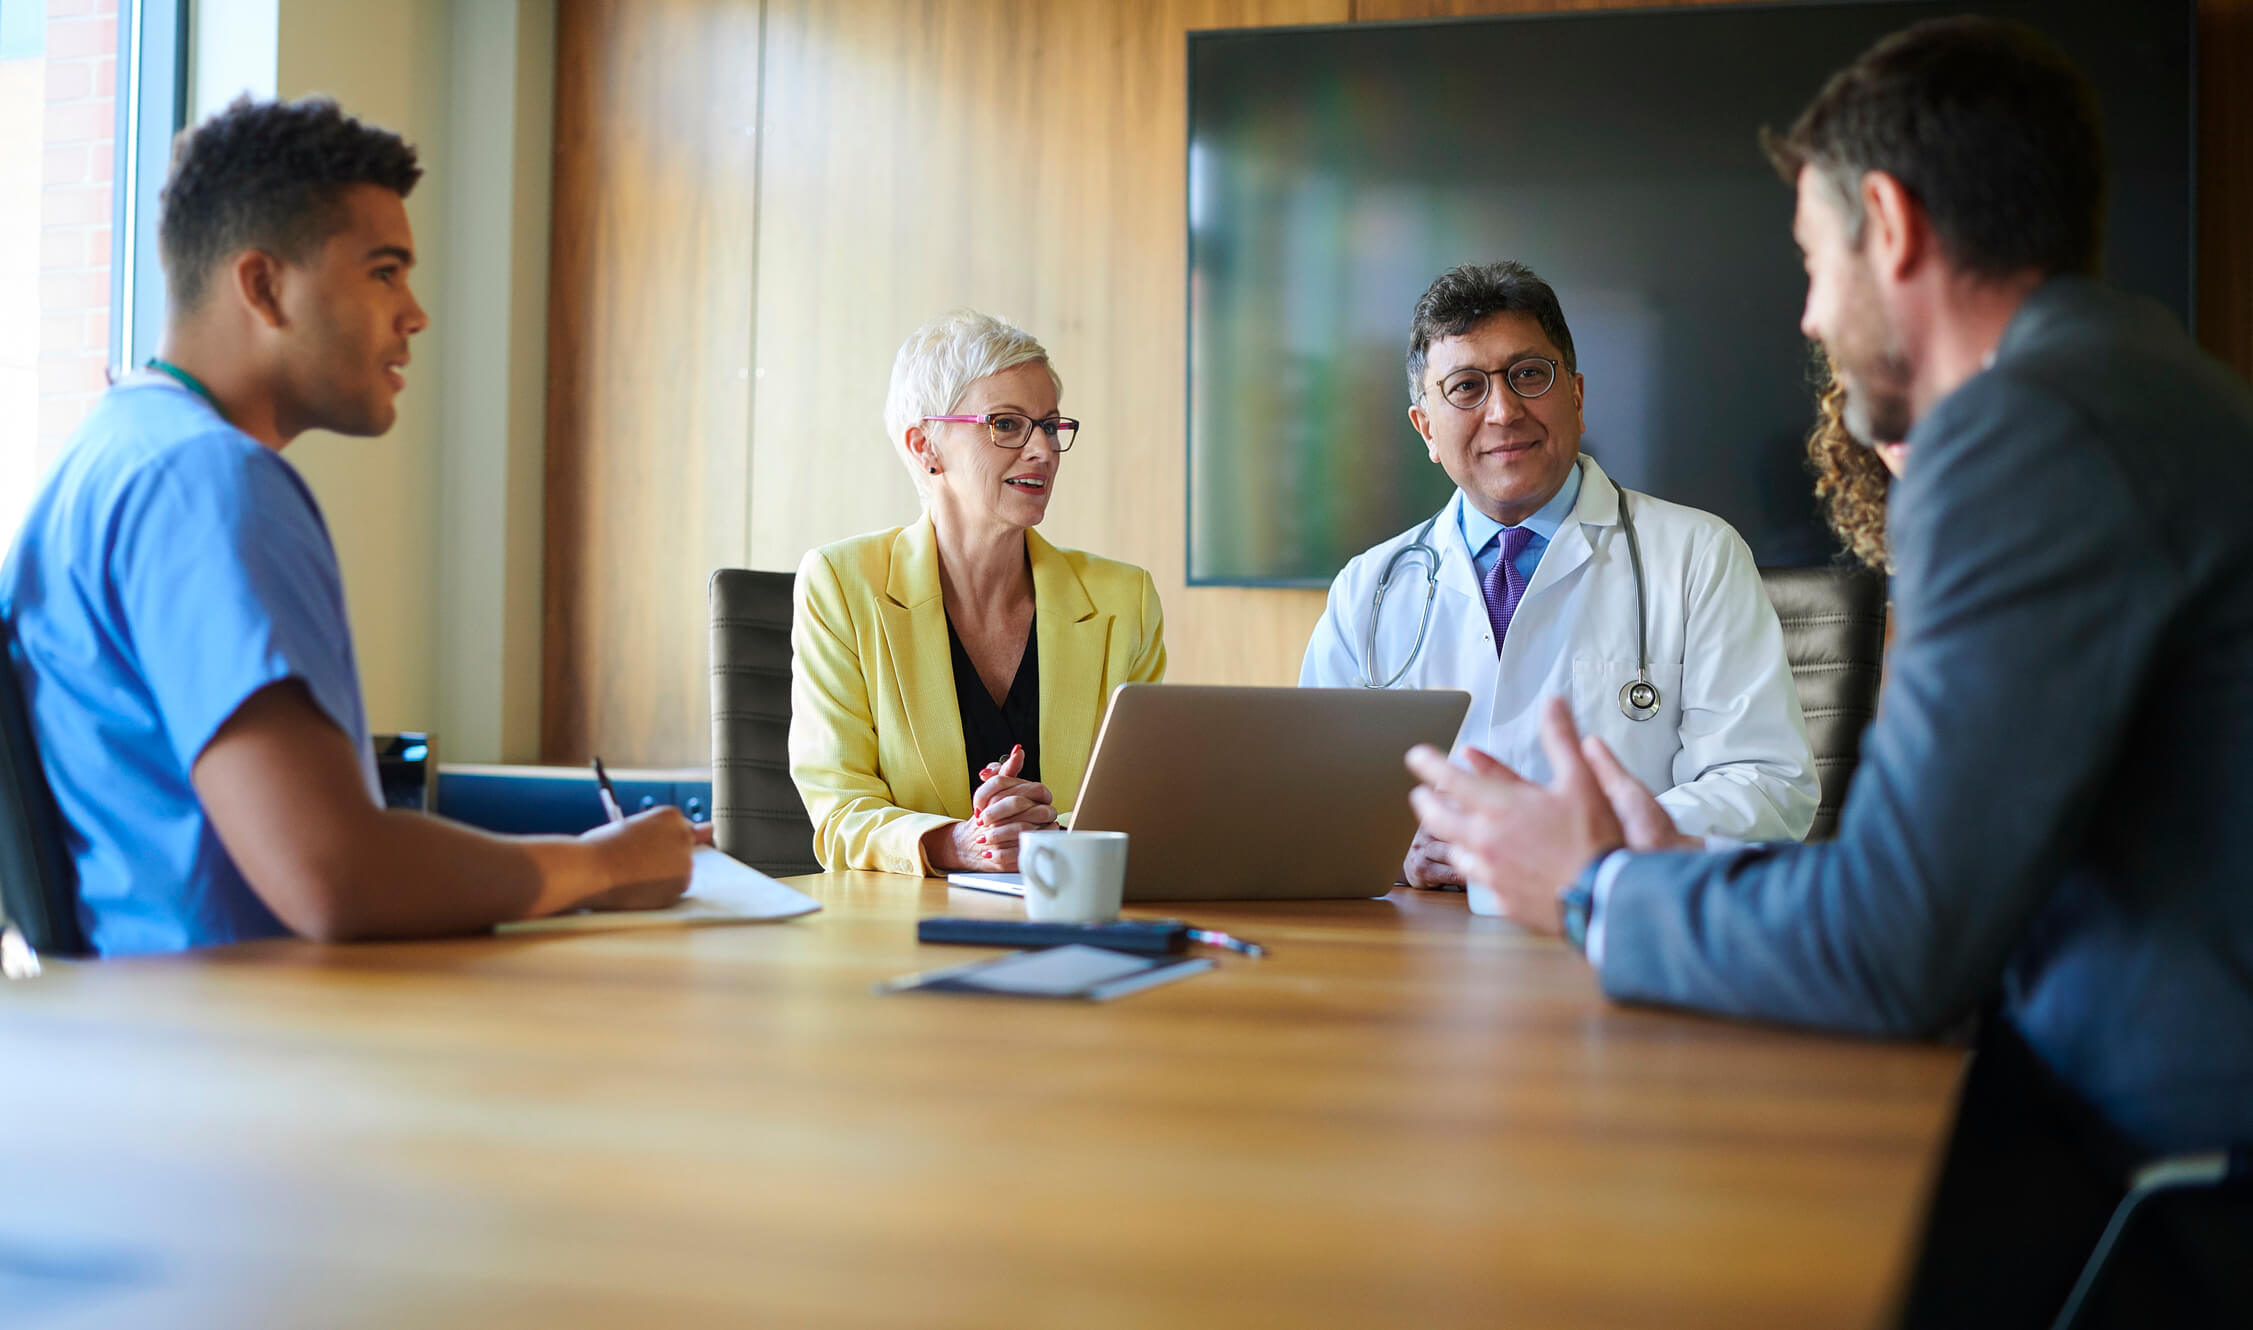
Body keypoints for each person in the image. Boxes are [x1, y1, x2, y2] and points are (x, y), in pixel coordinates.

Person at [1404, 18, 2253, 1323]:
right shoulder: (2140, 387)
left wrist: (1596, 887)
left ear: (1892, 228)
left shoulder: (2026, 435)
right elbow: (1950, 882)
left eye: (1811, 261)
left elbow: (1892, 943)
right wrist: (1680, 874)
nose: (1808, 312)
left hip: (2162, 1178)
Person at [0, 98, 699, 956]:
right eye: (384, 271)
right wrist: (605, 868)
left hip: (150, 1036)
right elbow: (331, 873)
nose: (416, 313)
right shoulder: (209, 481)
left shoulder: (106, 457)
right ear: (262, 285)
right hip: (237, 1053)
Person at [1303, 261, 1819, 890]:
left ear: (1575, 396)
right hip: (1423, 943)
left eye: (1528, 375)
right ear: (1426, 429)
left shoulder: (1699, 554)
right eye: (1466, 386)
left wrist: (1591, 845)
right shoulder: (1370, 588)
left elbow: (1767, 786)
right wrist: (1391, 845)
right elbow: (1320, 800)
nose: (1502, 411)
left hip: (1620, 921)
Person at [790, 310, 1165, 876]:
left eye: (1050, 425)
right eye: (1007, 425)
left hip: (1075, 923)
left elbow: (1148, 803)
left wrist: (1050, 836)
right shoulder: (841, 585)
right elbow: (838, 811)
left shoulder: (1124, 600)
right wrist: (959, 844)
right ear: (925, 448)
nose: (1042, 450)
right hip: (903, 934)